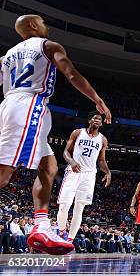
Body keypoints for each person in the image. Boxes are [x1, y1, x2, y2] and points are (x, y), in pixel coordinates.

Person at [0, 14, 111, 255]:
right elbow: (71, 73)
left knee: (49, 166)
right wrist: (97, 99)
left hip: (12, 105)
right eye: (42, 22)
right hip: (29, 106)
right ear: (32, 26)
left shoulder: (7, 56)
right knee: (4, 173)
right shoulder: (48, 46)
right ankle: (40, 225)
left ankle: (40, 226)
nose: (46, 26)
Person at [56, 111, 111, 242]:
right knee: (64, 205)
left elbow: (102, 160)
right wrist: (72, 161)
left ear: (101, 123)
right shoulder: (77, 132)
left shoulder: (103, 139)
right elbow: (65, 152)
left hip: (89, 175)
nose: (97, 120)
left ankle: (69, 240)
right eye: (94, 118)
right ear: (89, 120)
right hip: (73, 172)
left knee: (79, 209)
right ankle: (62, 231)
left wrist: (108, 172)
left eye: (99, 119)